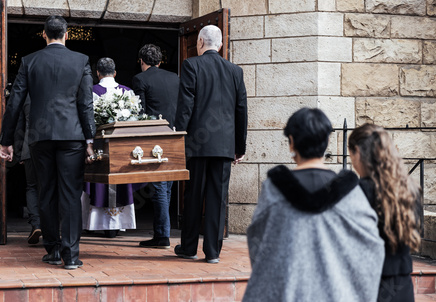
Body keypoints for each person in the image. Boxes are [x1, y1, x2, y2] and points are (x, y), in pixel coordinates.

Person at [243, 108, 385, 302]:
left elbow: (257, 243)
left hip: (286, 293)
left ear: (291, 142)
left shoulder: (274, 190)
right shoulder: (351, 192)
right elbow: (371, 249)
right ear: (326, 142)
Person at [0, 16, 96, 270]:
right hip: (72, 136)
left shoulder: (29, 61)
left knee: (46, 192)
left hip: (40, 137)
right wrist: (90, 138)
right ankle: (71, 256)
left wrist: (6, 141)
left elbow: (14, 104)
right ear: (67, 35)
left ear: (44, 35)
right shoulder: (81, 61)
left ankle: (53, 250)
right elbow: (86, 105)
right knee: (71, 195)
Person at [174, 25, 248, 264]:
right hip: (225, 145)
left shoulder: (192, 65)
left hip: (197, 143)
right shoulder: (235, 71)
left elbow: (186, 106)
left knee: (193, 195)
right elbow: (241, 110)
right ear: (221, 44)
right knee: (218, 197)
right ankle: (213, 252)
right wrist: (240, 147)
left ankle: (188, 247)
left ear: (199, 42)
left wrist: (178, 138)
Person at [349, 123, 421, 302]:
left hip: (369, 284)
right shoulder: (410, 189)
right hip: (402, 283)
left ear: (357, 151)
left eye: (350, 153)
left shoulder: (358, 191)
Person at [83, 57, 140, 237]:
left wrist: (88, 144)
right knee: (119, 180)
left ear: (97, 73)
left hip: (99, 145)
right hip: (122, 146)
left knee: (99, 182)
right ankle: (117, 224)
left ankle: (96, 224)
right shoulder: (128, 92)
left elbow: (86, 120)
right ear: (115, 73)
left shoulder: (90, 92)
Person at [132, 44, 179, 249]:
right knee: (166, 187)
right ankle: (163, 232)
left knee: (159, 187)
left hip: (154, 138)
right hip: (175, 135)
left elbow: (140, 113)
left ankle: (162, 236)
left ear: (142, 61)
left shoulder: (140, 79)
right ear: (160, 61)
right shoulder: (175, 78)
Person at [14, 96, 41, 244]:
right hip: (52, 149)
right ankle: (51, 227)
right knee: (50, 186)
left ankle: (36, 224)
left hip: (29, 147)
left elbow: (19, 126)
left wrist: (19, 152)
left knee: (32, 187)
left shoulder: (27, 97)